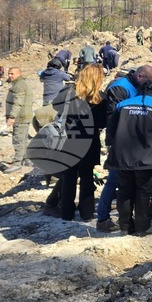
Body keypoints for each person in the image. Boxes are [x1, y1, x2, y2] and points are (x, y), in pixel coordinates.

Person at [105, 76, 152, 235]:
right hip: (148, 158)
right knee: (144, 193)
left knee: (124, 192)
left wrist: (111, 147)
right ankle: (143, 228)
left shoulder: (123, 104)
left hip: (122, 157)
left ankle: (125, 227)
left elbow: (111, 127)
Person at [45, 64, 108, 222]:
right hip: (89, 141)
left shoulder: (68, 93)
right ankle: (87, 214)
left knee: (68, 178)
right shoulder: (101, 98)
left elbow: (55, 106)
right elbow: (102, 123)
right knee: (87, 178)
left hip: (69, 139)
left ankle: (67, 214)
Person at [96, 66, 152, 233]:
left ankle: (124, 216)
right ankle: (103, 218)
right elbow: (114, 117)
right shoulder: (120, 88)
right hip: (120, 142)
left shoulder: (135, 86)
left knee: (125, 180)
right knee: (114, 179)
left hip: (130, 141)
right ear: (139, 75)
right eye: (147, 82)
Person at [4, 67, 33, 173]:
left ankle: (17, 163)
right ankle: (27, 159)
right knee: (24, 139)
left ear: (19, 74)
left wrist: (12, 117)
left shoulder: (19, 85)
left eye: (12, 74)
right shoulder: (21, 84)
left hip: (20, 117)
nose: (10, 76)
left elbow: (18, 102)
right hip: (25, 116)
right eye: (9, 74)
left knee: (18, 140)